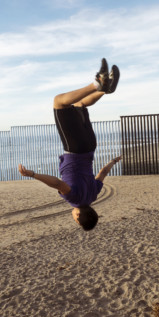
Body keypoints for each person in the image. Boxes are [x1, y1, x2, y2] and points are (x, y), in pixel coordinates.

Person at [18, 58, 121, 231]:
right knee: (59, 102)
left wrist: (113, 161)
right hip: (75, 149)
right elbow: (58, 184)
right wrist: (33, 174)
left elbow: (103, 172)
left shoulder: (93, 196)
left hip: (90, 146)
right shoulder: (75, 200)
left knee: (79, 104)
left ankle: (106, 90)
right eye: (76, 220)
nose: (73, 218)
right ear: (78, 217)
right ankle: (97, 84)